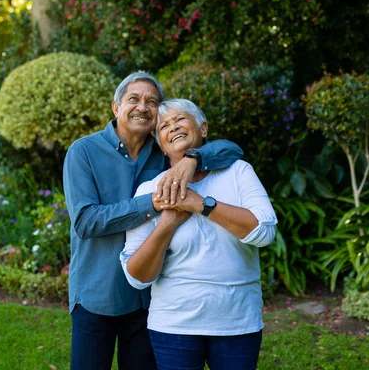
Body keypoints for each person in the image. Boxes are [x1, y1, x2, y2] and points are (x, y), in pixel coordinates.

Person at [63, 72, 244, 370]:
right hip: (97, 293)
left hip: (149, 297)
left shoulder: (164, 154)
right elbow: (86, 221)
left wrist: (192, 159)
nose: (142, 107)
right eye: (134, 99)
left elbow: (231, 150)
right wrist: (152, 202)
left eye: (152, 101)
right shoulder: (83, 151)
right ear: (116, 107)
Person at [120, 98, 277, 370]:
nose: (173, 127)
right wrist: (168, 223)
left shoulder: (238, 172)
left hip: (237, 321)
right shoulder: (150, 190)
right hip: (173, 325)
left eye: (180, 119)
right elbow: (137, 277)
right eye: (164, 126)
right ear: (160, 142)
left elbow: (264, 232)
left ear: (202, 128)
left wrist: (199, 204)